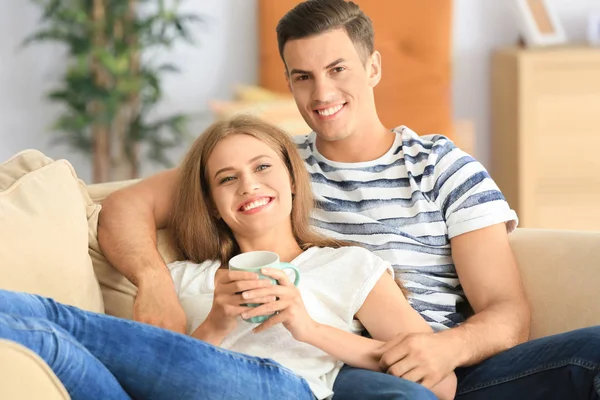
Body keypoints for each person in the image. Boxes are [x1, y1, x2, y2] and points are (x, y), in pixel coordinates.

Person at [98, 1, 600, 399]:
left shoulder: (443, 167)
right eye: (302, 76)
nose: (322, 92)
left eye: (338, 69)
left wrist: (442, 349)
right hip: (341, 370)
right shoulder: (272, 169)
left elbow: (508, 310)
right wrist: (152, 282)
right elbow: (125, 205)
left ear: (373, 67)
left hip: (458, 370)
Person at [0, 116, 456, 400]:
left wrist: (308, 327)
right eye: (227, 178)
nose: (249, 186)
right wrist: (217, 322)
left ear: (292, 179)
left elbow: (436, 377)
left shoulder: (347, 266)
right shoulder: (180, 278)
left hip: (283, 388)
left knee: (60, 321)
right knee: (48, 344)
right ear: (212, 202)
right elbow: (162, 369)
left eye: (262, 167)